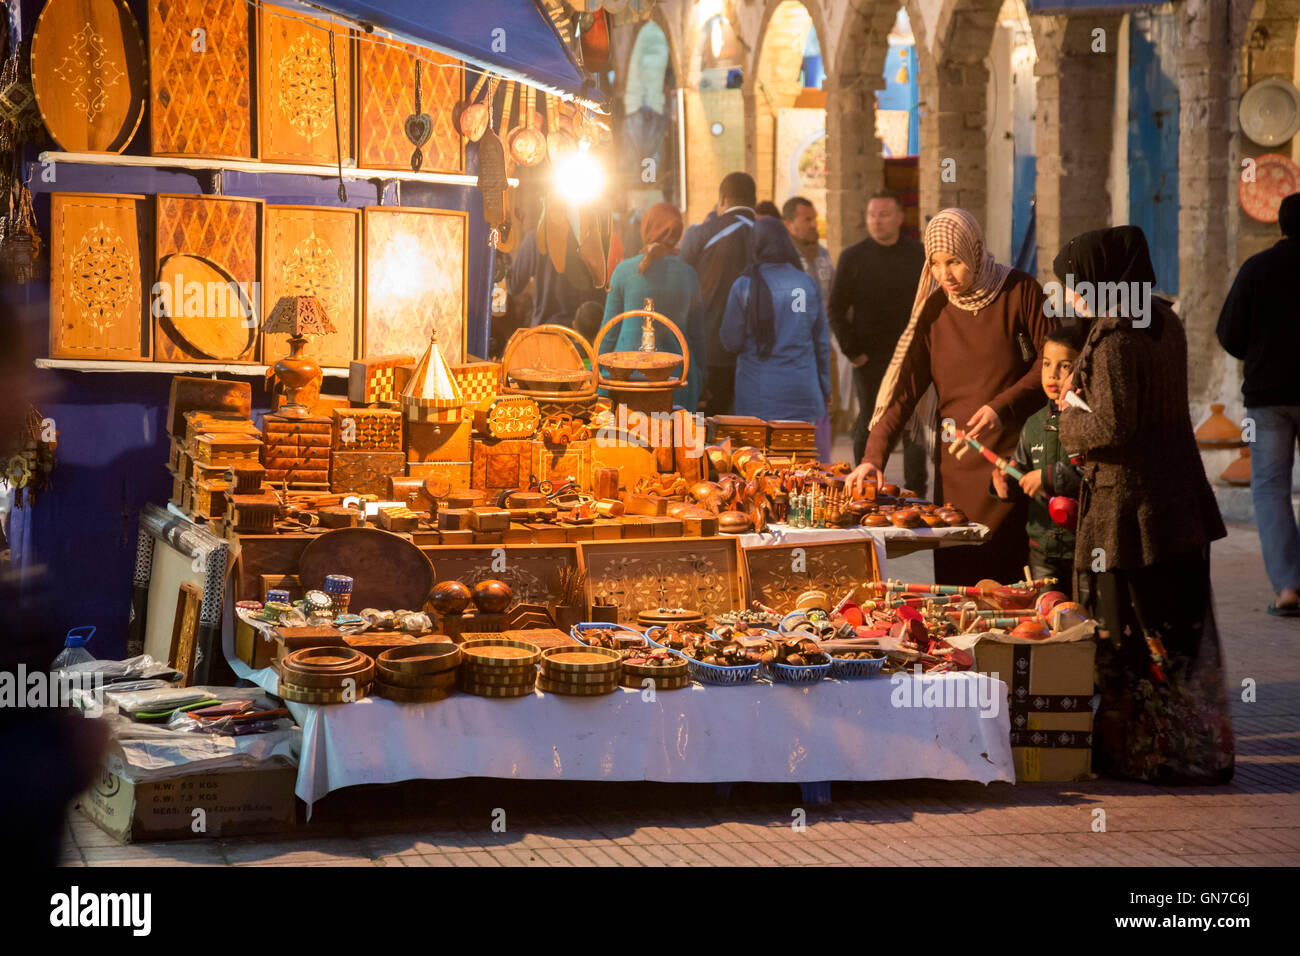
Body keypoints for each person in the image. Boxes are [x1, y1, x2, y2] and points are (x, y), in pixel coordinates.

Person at [1054, 225, 1232, 784]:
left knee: (1129, 633)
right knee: (1178, 632)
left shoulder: (1113, 340)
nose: (1075, 298)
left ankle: (1147, 755)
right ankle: (1194, 748)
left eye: (1078, 285)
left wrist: (1066, 419)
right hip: (1177, 503)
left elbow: (1111, 422)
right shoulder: (1163, 320)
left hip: (1126, 513)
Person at [846, 207, 1053, 585]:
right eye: (936, 263)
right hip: (956, 468)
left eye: (954, 261)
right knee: (960, 579)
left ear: (974, 250)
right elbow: (903, 392)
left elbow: (1051, 364)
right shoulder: (935, 309)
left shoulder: (1020, 292)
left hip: (1012, 460)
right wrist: (873, 458)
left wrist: (1001, 407)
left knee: (1011, 582)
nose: (944, 275)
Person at [1216, 192, 1300, 617]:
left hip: (1267, 398)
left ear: (1281, 226)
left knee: (1269, 491)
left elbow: (1228, 333)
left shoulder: (1258, 268)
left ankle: (1288, 587)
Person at [828, 191, 928, 494]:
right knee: (870, 421)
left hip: (912, 355)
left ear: (899, 218)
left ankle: (916, 492)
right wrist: (853, 352)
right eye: (872, 215)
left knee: (914, 425)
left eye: (884, 214)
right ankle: (865, 487)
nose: (877, 221)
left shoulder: (918, 255)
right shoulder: (853, 257)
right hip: (869, 359)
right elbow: (835, 308)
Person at [719, 218, 831, 461]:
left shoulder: (744, 286)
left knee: (760, 470)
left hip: (757, 397)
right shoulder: (806, 284)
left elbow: (730, 341)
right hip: (803, 393)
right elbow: (822, 344)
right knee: (804, 469)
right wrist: (825, 390)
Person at [990, 324, 1086, 591]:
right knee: (1047, 615)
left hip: (1084, 547)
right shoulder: (1033, 424)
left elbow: (1095, 473)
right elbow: (1020, 469)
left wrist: (1047, 477)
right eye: (1046, 364)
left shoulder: (1090, 419)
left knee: (1085, 620)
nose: (1052, 374)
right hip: (1042, 547)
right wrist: (1005, 483)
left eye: (1065, 366)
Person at [600, 202, 705, 411]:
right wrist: (702, 381)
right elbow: (698, 339)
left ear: (645, 228)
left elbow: (608, 333)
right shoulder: (689, 275)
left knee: (625, 441)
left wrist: (598, 381)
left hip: (626, 381)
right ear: (677, 232)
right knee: (672, 441)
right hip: (676, 383)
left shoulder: (623, 271)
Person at [679, 171, 758, 416]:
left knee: (707, 431)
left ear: (722, 199)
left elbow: (682, 282)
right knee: (748, 436)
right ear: (754, 201)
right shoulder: (768, 237)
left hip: (709, 348)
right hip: (756, 354)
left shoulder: (702, 233)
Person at [507, 214, 605, 328]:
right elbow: (600, 288)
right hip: (579, 331)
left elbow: (513, 286)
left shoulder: (534, 239)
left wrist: (502, 256)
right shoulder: (589, 240)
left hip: (544, 329)